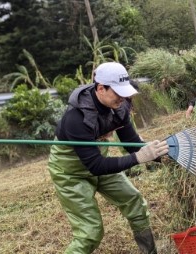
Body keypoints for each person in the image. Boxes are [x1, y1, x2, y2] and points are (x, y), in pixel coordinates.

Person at [47, 62, 169, 254]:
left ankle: (149, 252)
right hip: (71, 173)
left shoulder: (120, 106)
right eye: (118, 92)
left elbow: (130, 143)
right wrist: (139, 157)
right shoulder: (76, 117)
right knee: (90, 233)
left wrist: (161, 156)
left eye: (124, 92)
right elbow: (95, 166)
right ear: (100, 88)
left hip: (101, 162)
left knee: (135, 202)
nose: (123, 97)